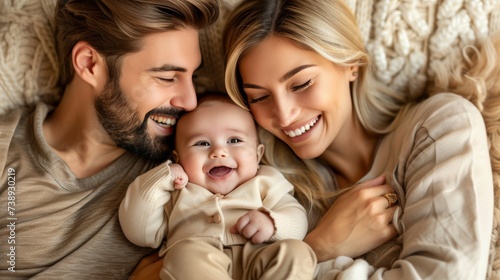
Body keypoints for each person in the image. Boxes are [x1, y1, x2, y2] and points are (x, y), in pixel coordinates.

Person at [222, 0, 495, 279]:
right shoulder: (267, 192)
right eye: (259, 97)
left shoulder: (438, 127)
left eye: (301, 84)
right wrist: (319, 246)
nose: (284, 115)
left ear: (350, 63)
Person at [0, 0, 219, 278]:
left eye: (192, 76)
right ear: (90, 64)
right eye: (166, 77)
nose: (190, 101)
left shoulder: (195, 162)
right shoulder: (5, 148)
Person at [119, 93, 317, 280]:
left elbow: (297, 218)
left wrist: (273, 223)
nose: (219, 152)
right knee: (183, 256)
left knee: (297, 252)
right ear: (177, 158)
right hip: (199, 263)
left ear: (257, 156)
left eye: (234, 140)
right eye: (202, 143)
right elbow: (138, 232)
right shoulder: (177, 191)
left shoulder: (266, 181)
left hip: (259, 257)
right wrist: (161, 178)